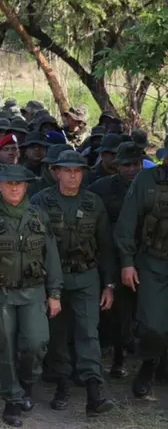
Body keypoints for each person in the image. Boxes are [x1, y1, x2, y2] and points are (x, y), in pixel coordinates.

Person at [0, 163, 63, 427]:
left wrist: (54, 293)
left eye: (19, 184)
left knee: (36, 343)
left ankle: (28, 384)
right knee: (5, 347)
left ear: (26, 187)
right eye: (8, 183)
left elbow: (52, 257)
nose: (13, 188)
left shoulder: (38, 216)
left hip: (33, 291)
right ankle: (12, 400)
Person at [30, 150, 115, 415]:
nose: (73, 175)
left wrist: (109, 284)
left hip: (86, 276)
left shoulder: (93, 202)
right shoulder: (41, 201)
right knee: (57, 335)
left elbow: (105, 245)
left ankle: (94, 390)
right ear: (56, 172)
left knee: (88, 332)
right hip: (52, 279)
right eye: (67, 170)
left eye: (77, 170)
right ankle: (62, 384)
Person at [114, 139, 168, 399]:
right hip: (153, 261)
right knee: (152, 325)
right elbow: (126, 224)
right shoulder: (146, 181)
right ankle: (148, 364)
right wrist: (127, 262)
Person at [88, 142, 143, 377]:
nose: (131, 169)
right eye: (126, 165)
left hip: (146, 256)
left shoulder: (151, 185)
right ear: (117, 166)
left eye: (135, 164)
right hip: (114, 256)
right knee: (118, 309)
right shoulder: (102, 188)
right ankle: (118, 357)